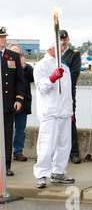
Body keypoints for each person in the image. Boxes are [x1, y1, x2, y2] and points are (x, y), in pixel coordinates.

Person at [33, 41, 75, 188]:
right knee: (47, 145)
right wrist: (52, 78)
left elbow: (68, 92)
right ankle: (41, 174)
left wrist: (70, 111)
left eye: (62, 47)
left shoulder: (64, 67)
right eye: (59, 47)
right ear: (50, 48)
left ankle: (58, 172)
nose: (62, 49)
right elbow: (41, 88)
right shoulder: (41, 65)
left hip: (64, 112)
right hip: (49, 112)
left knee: (64, 145)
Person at [0, 26, 25, 176]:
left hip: (8, 103)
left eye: (4, 37)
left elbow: (20, 81)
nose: (3, 39)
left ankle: (6, 165)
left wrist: (19, 99)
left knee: (7, 135)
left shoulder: (12, 57)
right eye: (1, 37)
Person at [7, 44, 33, 162]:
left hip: (23, 103)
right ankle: (5, 151)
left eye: (19, 54)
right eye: (14, 53)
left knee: (20, 129)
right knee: (7, 129)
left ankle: (18, 151)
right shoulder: (6, 66)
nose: (17, 56)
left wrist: (24, 68)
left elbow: (32, 78)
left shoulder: (27, 67)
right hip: (8, 103)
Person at [60, 30, 82, 164]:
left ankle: (74, 153)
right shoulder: (54, 54)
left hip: (68, 93)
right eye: (60, 40)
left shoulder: (74, 54)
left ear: (68, 40)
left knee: (71, 120)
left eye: (64, 39)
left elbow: (74, 74)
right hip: (55, 94)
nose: (63, 42)